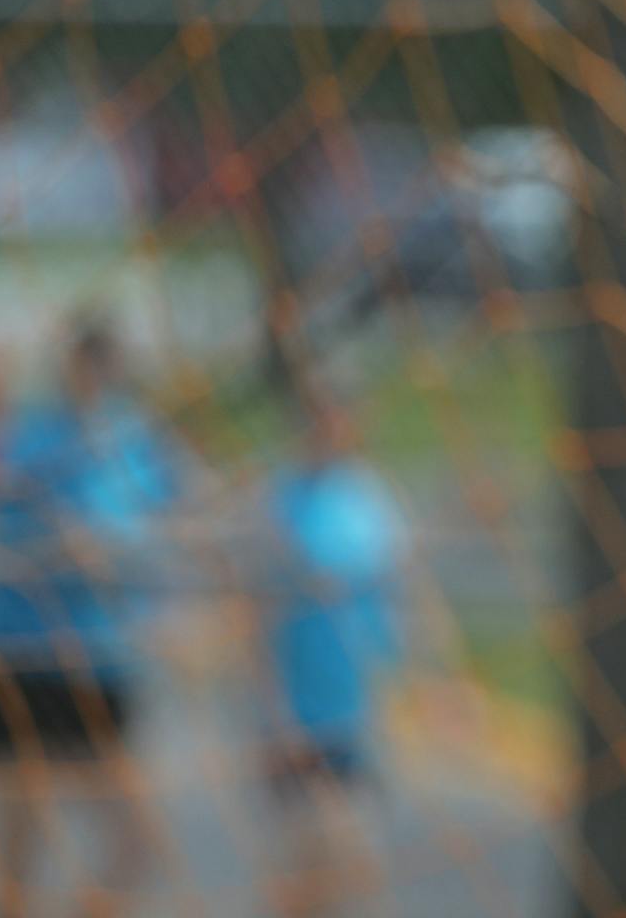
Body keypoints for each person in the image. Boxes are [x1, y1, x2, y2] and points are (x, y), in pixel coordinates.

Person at [0, 315, 180, 918]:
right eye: (83, 360)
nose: (93, 374)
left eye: (104, 362)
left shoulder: (135, 439)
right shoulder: (29, 436)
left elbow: (164, 529)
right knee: (24, 837)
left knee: (137, 841)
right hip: (27, 656)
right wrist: (67, 544)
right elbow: (14, 530)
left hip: (100, 660)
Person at [255, 377, 408, 917]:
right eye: (318, 417)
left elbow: (392, 602)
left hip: (355, 709)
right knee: (317, 863)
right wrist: (275, 718)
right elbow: (258, 620)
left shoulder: (369, 499)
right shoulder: (283, 502)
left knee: (347, 871)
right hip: (299, 714)